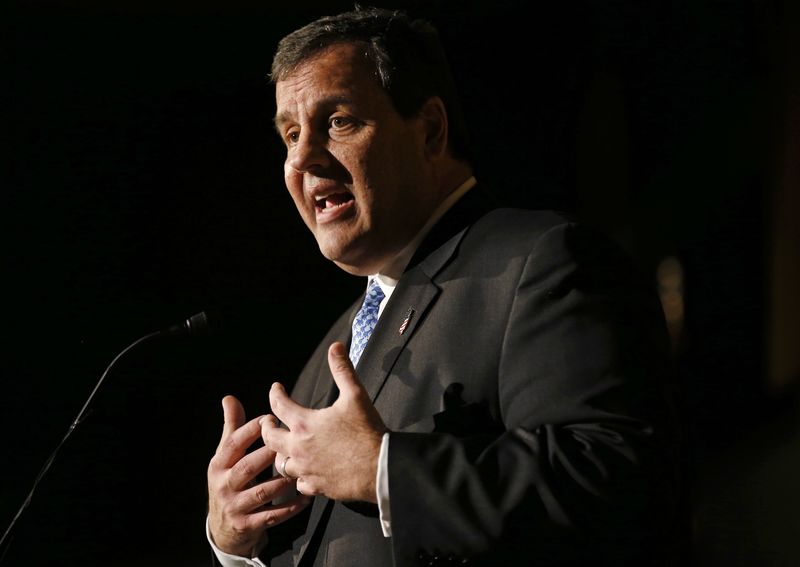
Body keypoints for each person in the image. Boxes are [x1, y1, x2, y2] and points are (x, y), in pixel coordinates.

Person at [206, 6, 678, 567]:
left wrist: (384, 469)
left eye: (337, 121)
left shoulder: (541, 262)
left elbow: (614, 483)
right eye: (290, 133)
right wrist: (239, 539)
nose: (303, 156)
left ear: (429, 130)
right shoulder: (328, 352)